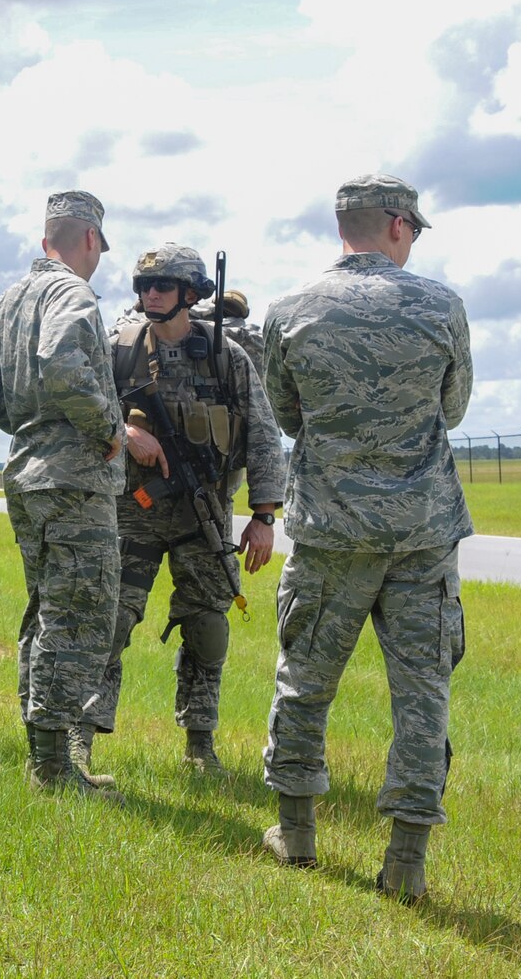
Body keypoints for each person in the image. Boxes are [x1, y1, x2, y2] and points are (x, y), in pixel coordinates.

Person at [259, 173, 471, 903]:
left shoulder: (289, 310)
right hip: (423, 533)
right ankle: (406, 861)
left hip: (330, 530)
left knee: (306, 681)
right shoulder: (441, 304)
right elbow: (453, 406)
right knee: (423, 694)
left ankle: (297, 833)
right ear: (400, 226)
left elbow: (287, 414)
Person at [79, 242, 284, 775]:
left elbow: (262, 436)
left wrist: (263, 518)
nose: (150, 294)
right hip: (132, 509)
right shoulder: (117, 348)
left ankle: (199, 745)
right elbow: (81, 405)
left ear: (190, 294)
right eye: (144, 286)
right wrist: (123, 433)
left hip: (205, 512)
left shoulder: (224, 355)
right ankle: (80, 739)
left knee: (207, 626)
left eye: (163, 286)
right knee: (109, 621)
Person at [0, 191, 124, 794]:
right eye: (100, 248)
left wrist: (28, 426)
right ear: (89, 240)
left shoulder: (10, 299)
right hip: (73, 479)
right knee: (77, 614)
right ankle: (53, 769)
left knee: (46, 611)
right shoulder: (70, 293)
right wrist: (105, 427)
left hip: (28, 473)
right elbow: (60, 360)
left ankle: (44, 758)